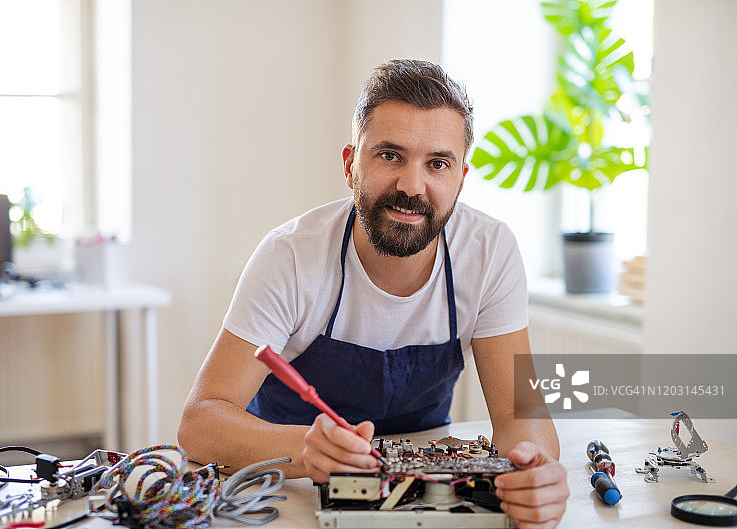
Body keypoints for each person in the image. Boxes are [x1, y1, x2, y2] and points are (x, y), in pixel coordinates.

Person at [179, 59, 569, 528]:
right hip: (290, 490)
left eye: (437, 164)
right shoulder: (292, 256)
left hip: (426, 495)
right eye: (389, 155)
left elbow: (517, 414)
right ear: (350, 164)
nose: (411, 186)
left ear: (461, 178)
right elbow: (201, 422)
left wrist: (535, 468)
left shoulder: (489, 252)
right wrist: (304, 448)